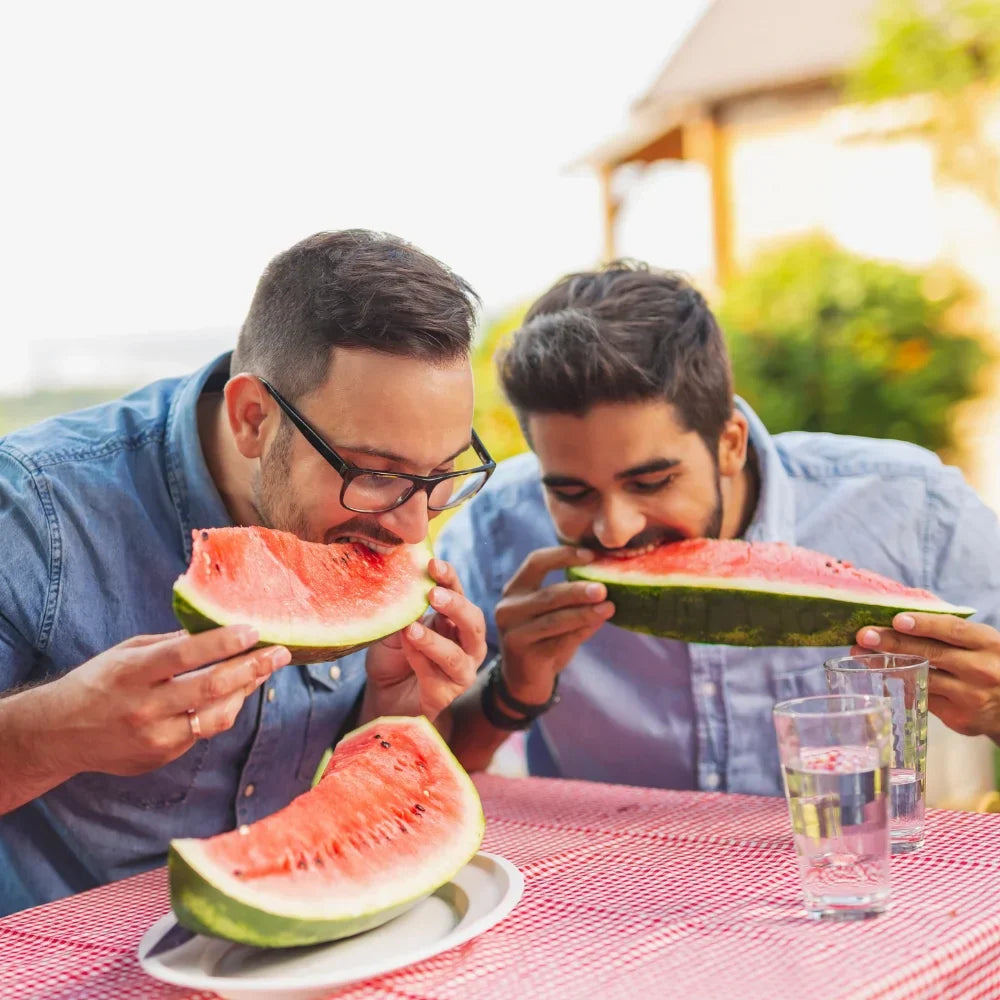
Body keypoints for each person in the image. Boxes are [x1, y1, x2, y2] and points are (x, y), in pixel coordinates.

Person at [0, 229, 492, 915]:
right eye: (377, 474)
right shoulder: (36, 508)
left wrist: (388, 713)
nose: (414, 528)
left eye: (442, 475)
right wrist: (53, 733)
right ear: (253, 418)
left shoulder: (378, 520)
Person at [441, 260, 1000, 794]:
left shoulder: (915, 508)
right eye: (570, 492)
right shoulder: (499, 526)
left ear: (729, 443)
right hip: (600, 859)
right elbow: (427, 767)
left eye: (651, 481)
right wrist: (510, 693)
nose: (614, 531)